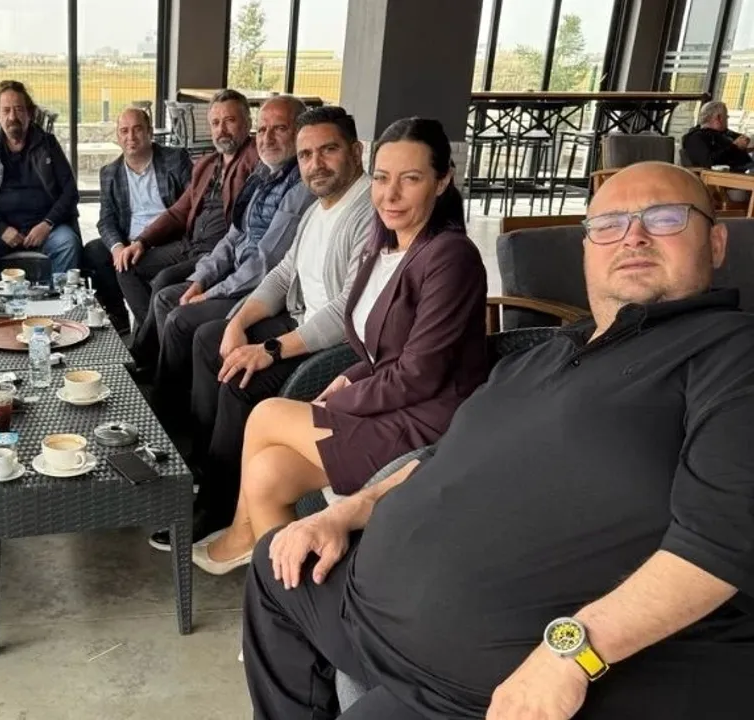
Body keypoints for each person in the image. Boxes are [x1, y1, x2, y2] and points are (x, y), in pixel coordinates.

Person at [245, 161, 754, 720]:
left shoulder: (732, 356)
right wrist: (347, 512)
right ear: (587, 249)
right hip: (369, 611)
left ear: (716, 242)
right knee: (275, 563)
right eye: (609, 224)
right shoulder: (542, 356)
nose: (633, 236)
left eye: (664, 218)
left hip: (491, 685)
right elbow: (440, 456)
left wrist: (573, 653)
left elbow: (722, 540)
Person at [195, 117, 488, 575]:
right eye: (383, 178)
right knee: (267, 473)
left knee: (267, 413)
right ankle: (285, 597)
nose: (390, 195)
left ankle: (241, 535)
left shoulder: (450, 256)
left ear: (442, 180)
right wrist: (350, 377)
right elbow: (378, 347)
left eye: (411, 179)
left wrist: (341, 402)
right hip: (390, 406)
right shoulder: (381, 246)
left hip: (427, 426)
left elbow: (420, 374)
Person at [154, 106, 373, 550]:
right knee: (210, 339)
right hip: (301, 321)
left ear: (356, 152)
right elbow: (282, 273)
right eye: (306, 154)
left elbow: (345, 310)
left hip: (337, 346)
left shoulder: (367, 210)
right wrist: (237, 322)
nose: (315, 164)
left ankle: (218, 502)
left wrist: (269, 349)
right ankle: (205, 463)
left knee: (242, 379)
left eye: (328, 150)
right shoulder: (318, 209)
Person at [148, 96, 317, 415]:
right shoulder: (263, 174)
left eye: (279, 129)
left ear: (300, 133)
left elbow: (266, 262)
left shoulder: (301, 186)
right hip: (236, 275)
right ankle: (173, 396)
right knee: (169, 297)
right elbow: (234, 235)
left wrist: (213, 293)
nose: (267, 138)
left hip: (261, 291)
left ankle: (168, 412)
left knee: (181, 319)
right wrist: (202, 280)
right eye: (263, 129)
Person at [126, 90, 260, 365]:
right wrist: (141, 241)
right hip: (188, 245)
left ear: (248, 123)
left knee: (163, 282)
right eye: (215, 123)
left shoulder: (253, 160)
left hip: (217, 254)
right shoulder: (207, 164)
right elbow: (179, 211)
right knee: (128, 265)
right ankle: (153, 341)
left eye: (230, 120)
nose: (222, 130)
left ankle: (143, 353)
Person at [0, 80, 81, 292]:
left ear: (29, 113)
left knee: (68, 243)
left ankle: (64, 306)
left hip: (44, 227)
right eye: (6, 110)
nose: (12, 117)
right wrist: (1, 228)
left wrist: (47, 223)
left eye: (19, 109)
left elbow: (70, 191)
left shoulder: (48, 144)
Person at [96, 106, 193, 325]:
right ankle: (120, 320)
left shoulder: (175, 159)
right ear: (118, 137)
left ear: (149, 132)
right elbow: (106, 220)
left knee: (128, 267)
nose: (130, 137)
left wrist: (144, 241)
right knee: (95, 252)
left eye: (137, 129)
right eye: (124, 131)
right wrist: (117, 247)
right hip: (130, 239)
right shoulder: (110, 173)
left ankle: (151, 332)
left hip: (169, 238)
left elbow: (191, 203)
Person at [681, 100, 753, 171]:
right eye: (726, 116)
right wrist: (735, 147)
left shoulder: (726, 133)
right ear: (719, 118)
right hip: (722, 175)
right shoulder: (696, 138)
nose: (727, 119)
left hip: (745, 169)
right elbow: (709, 162)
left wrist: (746, 143)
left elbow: (745, 140)